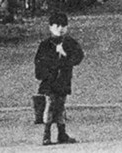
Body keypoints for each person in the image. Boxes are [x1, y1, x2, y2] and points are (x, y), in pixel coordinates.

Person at [34, 12, 85, 146]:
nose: (60, 28)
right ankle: (46, 134)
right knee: (50, 105)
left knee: (61, 106)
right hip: (50, 81)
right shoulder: (45, 45)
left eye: (63, 26)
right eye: (57, 26)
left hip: (63, 79)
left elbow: (78, 57)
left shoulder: (70, 43)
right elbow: (39, 62)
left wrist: (65, 55)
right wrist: (46, 73)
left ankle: (62, 133)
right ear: (51, 27)